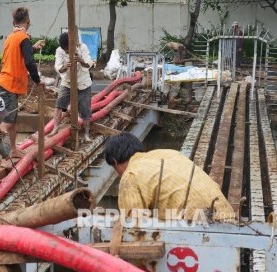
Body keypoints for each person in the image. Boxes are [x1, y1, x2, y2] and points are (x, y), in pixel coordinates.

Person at [104, 132, 235, 222]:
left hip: (196, 229)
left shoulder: (131, 175)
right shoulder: (169, 153)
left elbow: (134, 225)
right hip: (227, 216)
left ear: (115, 161)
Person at [0, 7, 45, 158]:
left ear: (14, 22)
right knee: (7, 123)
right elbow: (30, 62)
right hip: (9, 85)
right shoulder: (23, 37)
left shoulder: (12, 37)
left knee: (12, 120)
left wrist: (33, 48)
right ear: (28, 22)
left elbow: (21, 54)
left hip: (6, 83)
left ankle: (13, 149)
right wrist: (37, 81)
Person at [49, 32, 93, 142]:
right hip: (67, 82)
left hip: (83, 82)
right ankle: (55, 128)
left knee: (85, 109)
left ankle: (87, 133)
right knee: (59, 104)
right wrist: (64, 67)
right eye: (65, 51)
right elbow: (58, 67)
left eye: (68, 50)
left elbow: (89, 63)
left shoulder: (82, 47)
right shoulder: (59, 51)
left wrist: (80, 60)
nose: (66, 52)